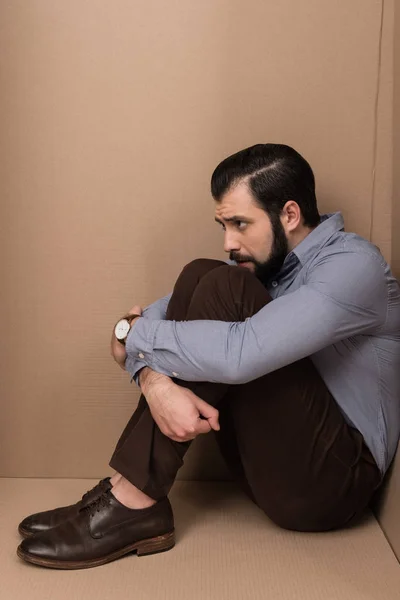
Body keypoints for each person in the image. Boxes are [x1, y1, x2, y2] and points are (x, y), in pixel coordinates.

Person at [17, 143, 400, 570]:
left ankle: (133, 502)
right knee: (202, 273)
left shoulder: (354, 267)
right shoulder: (266, 264)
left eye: (239, 224)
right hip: (268, 467)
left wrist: (133, 340)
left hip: (332, 486)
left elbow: (234, 352)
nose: (228, 242)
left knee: (222, 287)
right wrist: (155, 382)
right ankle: (125, 489)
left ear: (289, 215)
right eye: (223, 224)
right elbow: (138, 331)